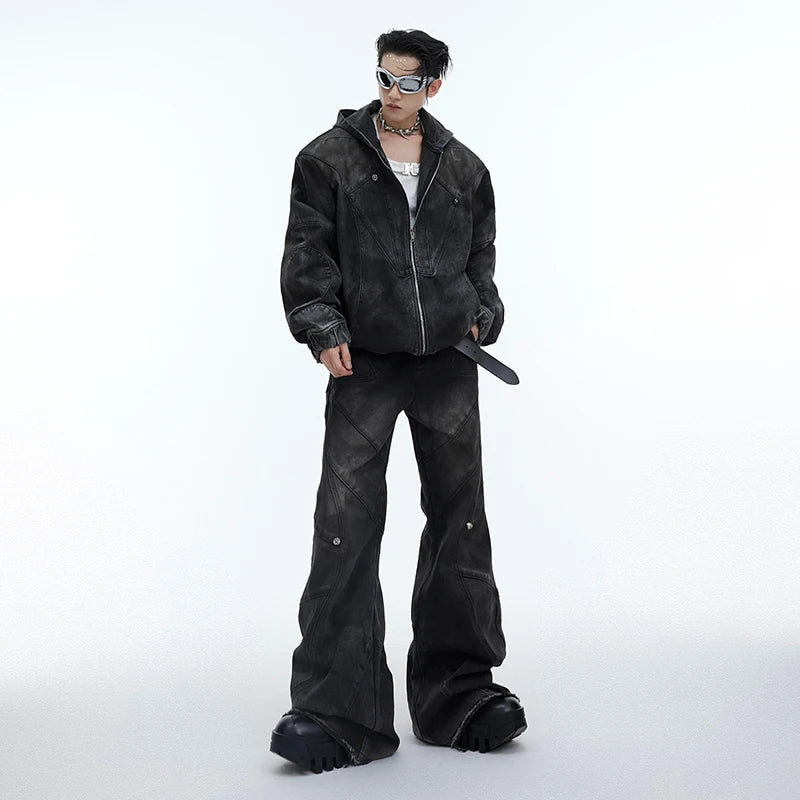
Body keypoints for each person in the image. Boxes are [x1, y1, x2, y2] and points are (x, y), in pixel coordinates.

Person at [270, 28, 526, 773]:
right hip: (366, 367)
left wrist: (483, 310)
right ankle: (336, 712)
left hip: (448, 364)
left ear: (433, 86)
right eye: (384, 77)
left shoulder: (464, 168)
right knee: (345, 525)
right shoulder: (328, 160)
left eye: (408, 81)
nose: (392, 91)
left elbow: (481, 257)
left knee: (460, 521)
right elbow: (307, 252)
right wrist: (321, 325)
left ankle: (461, 695)